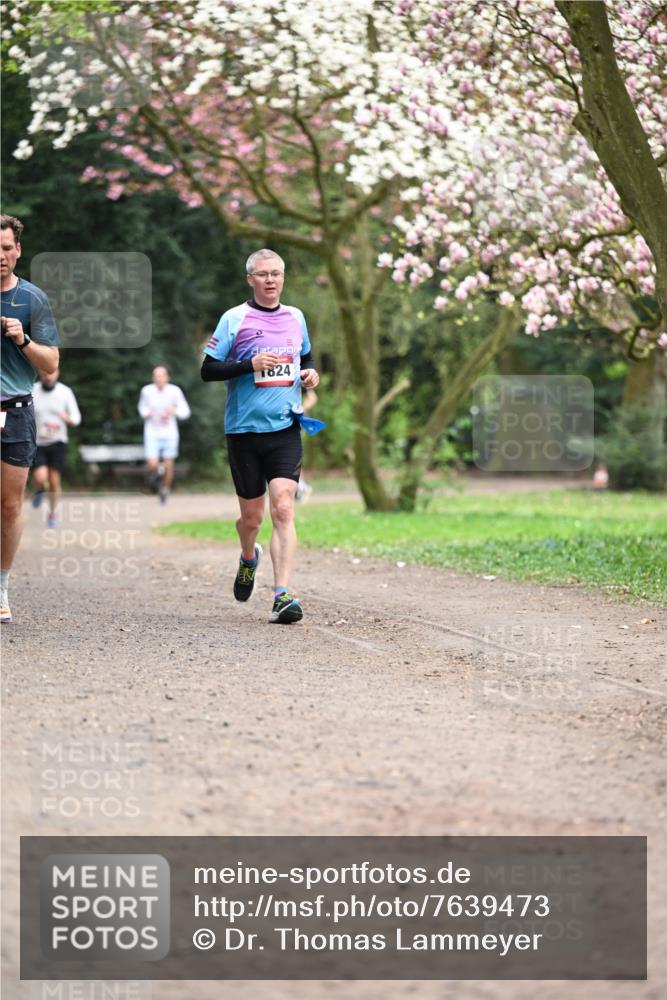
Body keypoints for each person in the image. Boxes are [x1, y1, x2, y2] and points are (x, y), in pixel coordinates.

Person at [201, 248, 319, 624]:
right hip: (244, 432)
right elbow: (208, 370)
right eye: (263, 274)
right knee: (251, 519)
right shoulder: (234, 319)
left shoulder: (296, 317)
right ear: (250, 279)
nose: (270, 280)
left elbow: (308, 358)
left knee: (283, 506)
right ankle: (249, 556)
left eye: (276, 274)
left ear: (283, 278)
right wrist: (247, 365)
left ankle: (283, 595)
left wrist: (310, 374)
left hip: (286, 427)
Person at [1, 214, 59, 623]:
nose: (0, 256)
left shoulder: (33, 299)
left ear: (18, 250)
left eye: (6, 248)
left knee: (8, 506)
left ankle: (1, 587)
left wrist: (23, 339)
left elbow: (52, 364)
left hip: (15, 411)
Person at [31, 368, 82, 527]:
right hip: (38, 441)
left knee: (54, 481)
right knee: (41, 477)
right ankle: (39, 489)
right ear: (40, 373)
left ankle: (52, 514)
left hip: (58, 442)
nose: (48, 376)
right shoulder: (32, 390)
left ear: (58, 373)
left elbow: (76, 418)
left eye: (51, 372)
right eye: (45, 373)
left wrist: (68, 419)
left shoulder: (65, 392)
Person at [137, 365, 191, 503]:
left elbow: (185, 411)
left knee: (168, 463)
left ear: (167, 377)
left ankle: (165, 489)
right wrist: (147, 413)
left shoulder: (175, 391)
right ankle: (156, 477)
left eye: (162, 376)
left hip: (169, 433)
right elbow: (142, 408)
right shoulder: (147, 391)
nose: (159, 379)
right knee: (152, 463)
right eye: (156, 376)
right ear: (153, 378)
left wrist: (174, 411)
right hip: (152, 432)